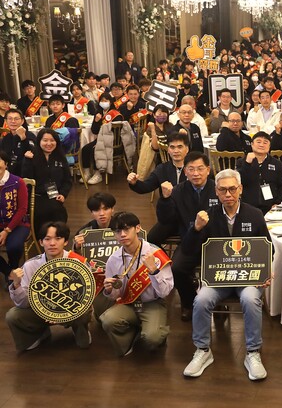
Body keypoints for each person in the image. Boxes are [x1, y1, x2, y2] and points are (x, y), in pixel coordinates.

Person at [181, 169, 271, 380]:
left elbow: (269, 249)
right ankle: (203, 350)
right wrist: (195, 229)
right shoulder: (206, 216)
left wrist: (266, 272)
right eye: (223, 190)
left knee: (250, 299)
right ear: (216, 191)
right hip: (218, 278)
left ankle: (253, 352)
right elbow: (187, 250)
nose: (228, 194)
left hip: (247, 277)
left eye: (232, 189)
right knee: (201, 300)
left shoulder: (255, 214)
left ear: (240, 189)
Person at [6, 222, 92, 351]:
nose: (52, 243)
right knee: (13, 315)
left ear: (65, 242)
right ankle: (38, 334)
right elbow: (22, 304)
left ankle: (80, 330)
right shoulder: (30, 265)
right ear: (41, 242)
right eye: (47, 239)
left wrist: (58, 313)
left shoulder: (78, 262)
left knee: (84, 313)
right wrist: (16, 284)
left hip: (71, 310)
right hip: (40, 312)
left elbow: (86, 297)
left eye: (58, 238)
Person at [101, 212, 173, 357]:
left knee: (152, 338)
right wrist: (109, 290)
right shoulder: (114, 259)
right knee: (107, 320)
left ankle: (156, 331)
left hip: (152, 303)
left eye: (126, 229)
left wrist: (154, 271)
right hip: (128, 303)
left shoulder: (155, 254)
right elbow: (116, 295)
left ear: (138, 228)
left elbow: (165, 292)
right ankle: (131, 338)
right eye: (117, 231)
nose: (122, 234)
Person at [156, 151, 218, 320]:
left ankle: (220, 301)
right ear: (185, 171)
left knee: (224, 264)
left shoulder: (218, 188)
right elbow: (166, 220)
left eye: (200, 168)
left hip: (215, 242)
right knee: (176, 268)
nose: (196, 173)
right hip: (190, 241)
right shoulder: (178, 191)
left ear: (208, 170)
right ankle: (189, 302)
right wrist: (165, 199)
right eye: (191, 169)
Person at [21, 129, 71, 235]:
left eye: (52, 140)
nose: (49, 143)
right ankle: (43, 237)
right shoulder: (32, 156)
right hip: (36, 196)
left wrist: (63, 194)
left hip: (54, 195)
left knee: (59, 211)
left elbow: (67, 180)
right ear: (39, 141)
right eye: (45, 140)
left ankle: (58, 237)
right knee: (45, 211)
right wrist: (27, 161)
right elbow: (26, 179)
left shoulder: (60, 157)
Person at [236, 131, 282, 213]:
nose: (261, 145)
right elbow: (240, 182)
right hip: (248, 206)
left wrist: (278, 203)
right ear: (252, 144)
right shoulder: (242, 162)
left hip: (271, 207)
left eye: (265, 142)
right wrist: (247, 164)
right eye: (258, 142)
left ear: (269, 146)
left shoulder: (276, 163)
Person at [0, 151, 30, 284]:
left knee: (14, 246)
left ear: (6, 164)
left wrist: (7, 231)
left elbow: (22, 209)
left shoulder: (18, 182)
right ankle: (10, 272)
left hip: (18, 224)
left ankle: (13, 265)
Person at [1, 109, 36, 175]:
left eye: (16, 119)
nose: (13, 121)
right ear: (5, 121)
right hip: (8, 173)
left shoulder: (29, 135)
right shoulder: (5, 138)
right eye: (10, 119)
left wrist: (23, 138)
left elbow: (32, 153)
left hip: (25, 172)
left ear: (22, 121)